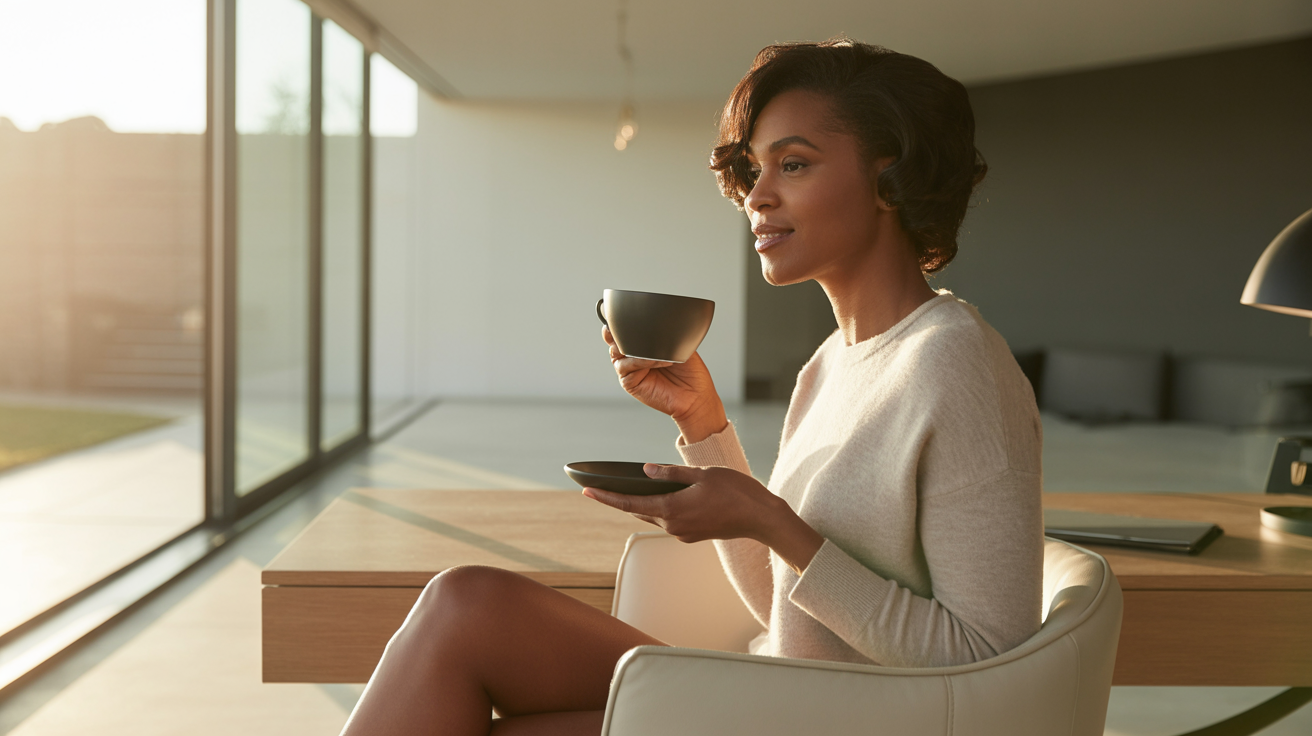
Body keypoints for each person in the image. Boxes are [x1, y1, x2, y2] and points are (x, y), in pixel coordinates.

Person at [340, 37, 1042, 736]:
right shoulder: (832, 363)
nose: (757, 197)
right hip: (778, 692)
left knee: (465, 630)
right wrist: (702, 422)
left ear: (890, 177)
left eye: (793, 164)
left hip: (831, 721)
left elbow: (990, 665)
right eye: (754, 170)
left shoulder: (957, 363)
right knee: (467, 605)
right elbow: (787, 606)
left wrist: (775, 523)